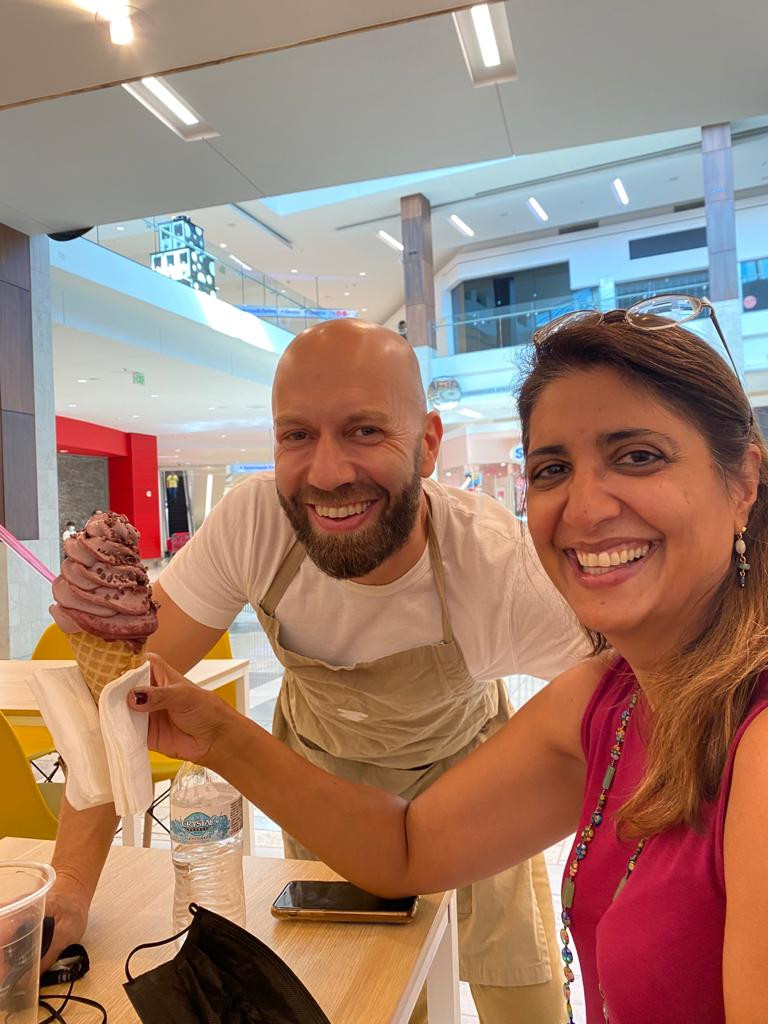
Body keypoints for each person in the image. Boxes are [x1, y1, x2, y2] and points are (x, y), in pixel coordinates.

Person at [129, 300, 768, 1023]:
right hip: (344, 797)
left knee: (519, 989)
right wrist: (215, 734)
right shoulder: (609, 702)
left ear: (743, 482)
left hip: (465, 770)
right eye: (554, 468)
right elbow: (406, 847)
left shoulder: (505, 575)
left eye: (639, 456)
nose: (586, 510)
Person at [45, 319, 585, 1024]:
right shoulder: (254, 524)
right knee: (372, 998)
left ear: (428, 442)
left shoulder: (498, 569)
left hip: (472, 786)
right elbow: (120, 697)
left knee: (524, 999)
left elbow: (641, 714)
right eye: (297, 435)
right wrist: (70, 885)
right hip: (317, 793)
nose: (327, 474)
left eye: (365, 430)